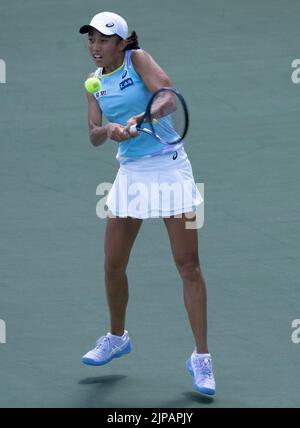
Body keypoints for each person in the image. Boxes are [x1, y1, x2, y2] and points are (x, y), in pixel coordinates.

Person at [79, 11, 216, 396]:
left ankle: (201, 358)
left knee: (189, 265)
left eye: (103, 40)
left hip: (171, 169)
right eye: (91, 39)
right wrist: (110, 130)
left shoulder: (138, 59)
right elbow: (92, 134)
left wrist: (141, 118)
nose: (95, 46)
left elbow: (168, 97)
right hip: (132, 175)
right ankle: (117, 336)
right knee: (112, 264)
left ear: (122, 43)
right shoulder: (93, 84)